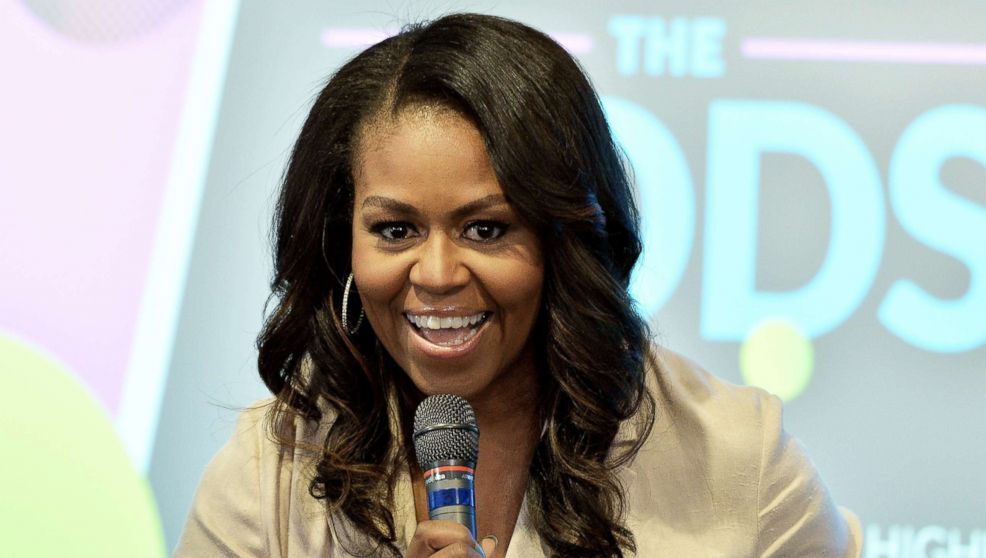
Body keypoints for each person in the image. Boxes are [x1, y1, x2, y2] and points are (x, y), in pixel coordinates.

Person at [175, 13, 862, 558]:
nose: (438, 275)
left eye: (486, 229)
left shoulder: (735, 461)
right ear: (339, 240)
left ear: (563, 239)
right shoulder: (271, 470)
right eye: (394, 231)